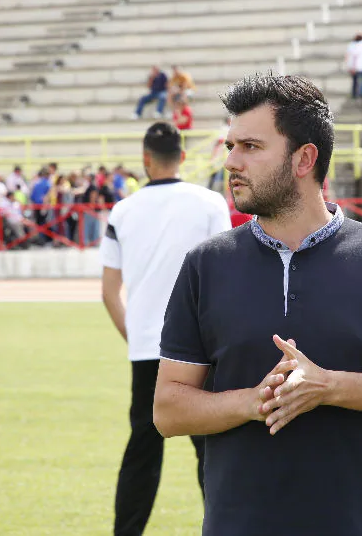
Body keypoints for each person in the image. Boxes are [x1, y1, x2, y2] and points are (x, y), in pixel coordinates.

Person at [153, 73, 362, 536]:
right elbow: (167, 409)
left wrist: (328, 386)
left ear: (305, 159)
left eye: (251, 147)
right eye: (230, 147)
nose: (232, 162)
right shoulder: (206, 264)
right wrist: (253, 401)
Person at [99, 121, 231, 536]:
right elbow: (225, 280)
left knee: (142, 447)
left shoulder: (122, 210)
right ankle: (226, 527)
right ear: (183, 158)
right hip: (198, 347)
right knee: (209, 448)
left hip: (146, 351)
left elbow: (108, 291)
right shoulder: (210, 203)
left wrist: (136, 334)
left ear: (145, 160)